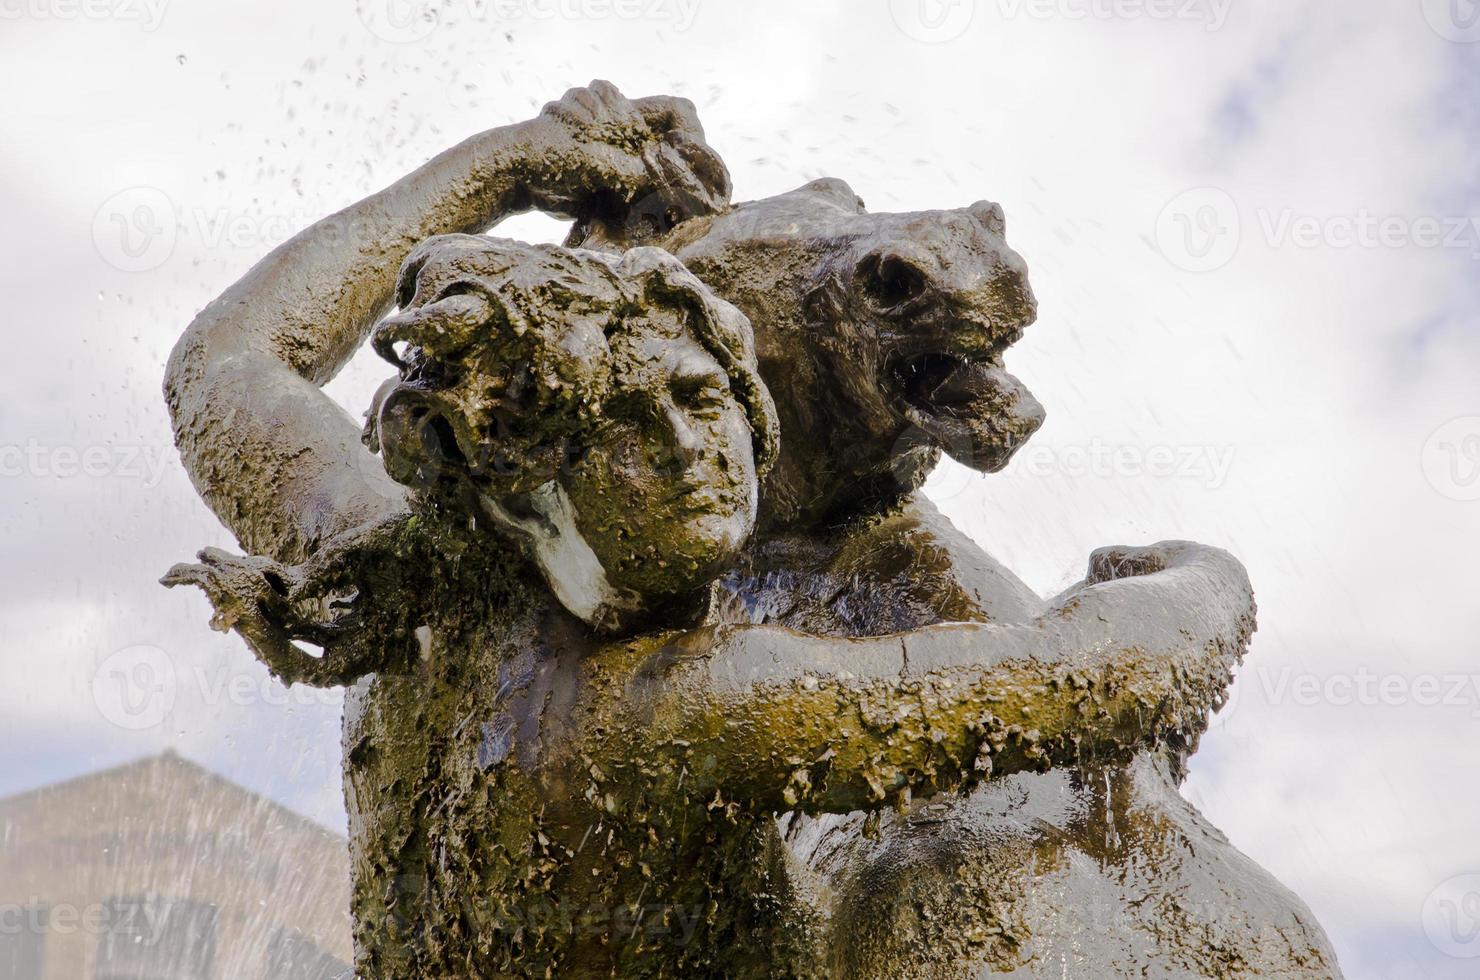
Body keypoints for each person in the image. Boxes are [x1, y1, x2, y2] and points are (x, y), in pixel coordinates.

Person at [162, 82, 1333, 977]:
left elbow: (226, 360)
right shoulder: (686, 696)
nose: (703, 455)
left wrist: (508, 162)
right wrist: (1204, 572)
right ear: (530, 477)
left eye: (712, 396)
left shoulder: (394, 553)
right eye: (637, 427)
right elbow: (1104, 676)